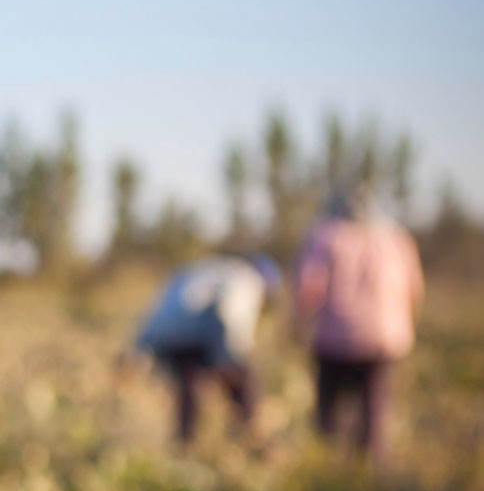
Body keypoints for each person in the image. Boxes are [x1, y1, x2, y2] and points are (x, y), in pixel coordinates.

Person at [295, 185, 423, 467]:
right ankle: (371, 469)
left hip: (335, 337)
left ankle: (327, 466)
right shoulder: (398, 238)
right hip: (386, 338)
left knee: (329, 406)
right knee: (374, 407)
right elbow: (415, 289)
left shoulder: (326, 236)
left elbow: (310, 288)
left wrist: (298, 325)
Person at [134, 254, 281, 444]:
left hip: (172, 339)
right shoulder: (247, 280)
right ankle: (249, 437)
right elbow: (230, 314)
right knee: (243, 377)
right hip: (197, 336)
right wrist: (229, 357)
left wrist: (138, 348)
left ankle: (185, 442)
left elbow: (159, 310)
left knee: (189, 389)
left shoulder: (202, 271)